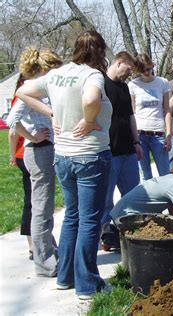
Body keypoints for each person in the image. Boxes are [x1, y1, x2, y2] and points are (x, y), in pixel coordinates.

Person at [17, 30, 112, 300]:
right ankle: (87, 283)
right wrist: (89, 118)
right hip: (90, 155)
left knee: (72, 216)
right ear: (100, 51)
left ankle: (65, 276)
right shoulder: (91, 75)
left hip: (64, 157)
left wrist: (51, 111)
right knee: (90, 220)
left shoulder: (57, 73)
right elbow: (91, 98)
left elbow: (24, 90)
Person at [7, 48, 62, 277]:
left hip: (47, 151)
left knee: (45, 206)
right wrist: (32, 136)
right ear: (44, 70)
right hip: (38, 152)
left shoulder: (41, 89)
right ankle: (45, 262)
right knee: (41, 207)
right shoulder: (30, 89)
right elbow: (11, 120)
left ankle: (50, 251)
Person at [100, 51, 143, 250]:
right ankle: (104, 236)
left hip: (128, 151)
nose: (129, 73)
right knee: (105, 199)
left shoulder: (125, 88)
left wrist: (137, 142)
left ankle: (128, 236)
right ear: (119, 63)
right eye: (128, 69)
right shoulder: (100, 84)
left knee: (131, 196)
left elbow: (131, 116)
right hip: (109, 151)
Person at [128, 53, 171, 179]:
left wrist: (168, 135)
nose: (146, 72)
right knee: (146, 176)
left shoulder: (162, 82)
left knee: (165, 174)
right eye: (142, 70)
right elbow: (132, 112)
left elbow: (167, 110)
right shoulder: (133, 85)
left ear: (152, 66)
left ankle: (166, 198)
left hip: (157, 133)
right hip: (140, 134)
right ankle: (149, 199)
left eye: (148, 69)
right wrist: (134, 139)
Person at [7, 74, 33, 260]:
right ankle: (32, 244)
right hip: (25, 154)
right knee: (32, 200)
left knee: (35, 199)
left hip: (30, 152)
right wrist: (12, 156)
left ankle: (35, 243)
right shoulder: (22, 97)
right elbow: (12, 131)